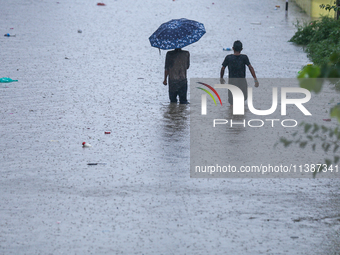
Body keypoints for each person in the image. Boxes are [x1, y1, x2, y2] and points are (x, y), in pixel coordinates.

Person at [220, 40, 259, 106]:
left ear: (233, 48)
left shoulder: (228, 58)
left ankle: (232, 115)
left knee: (232, 104)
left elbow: (223, 68)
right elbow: (250, 68)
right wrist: (255, 80)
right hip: (242, 82)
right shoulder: (244, 58)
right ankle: (241, 116)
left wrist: (221, 78)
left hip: (232, 83)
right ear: (241, 49)